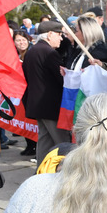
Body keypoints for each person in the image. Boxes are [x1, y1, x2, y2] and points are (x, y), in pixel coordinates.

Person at [23, 20, 70, 165]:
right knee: (63, 144)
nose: (61, 38)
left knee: (44, 141)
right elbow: (61, 79)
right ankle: (68, 172)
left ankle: (40, 171)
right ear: (50, 34)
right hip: (51, 107)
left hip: (38, 106)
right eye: (59, 34)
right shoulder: (49, 53)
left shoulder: (32, 51)